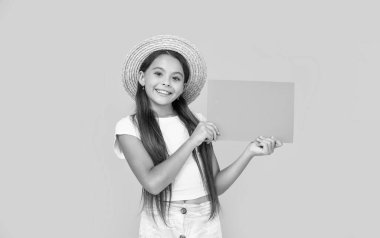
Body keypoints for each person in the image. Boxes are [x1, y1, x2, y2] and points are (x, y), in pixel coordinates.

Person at [113, 35, 283, 238]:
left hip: (204, 221)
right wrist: (192, 140)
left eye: (175, 78)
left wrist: (249, 152)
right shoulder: (129, 127)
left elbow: (216, 185)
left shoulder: (196, 122)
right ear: (142, 77)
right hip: (160, 223)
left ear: (183, 86)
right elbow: (153, 184)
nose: (166, 83)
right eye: (158, 74)